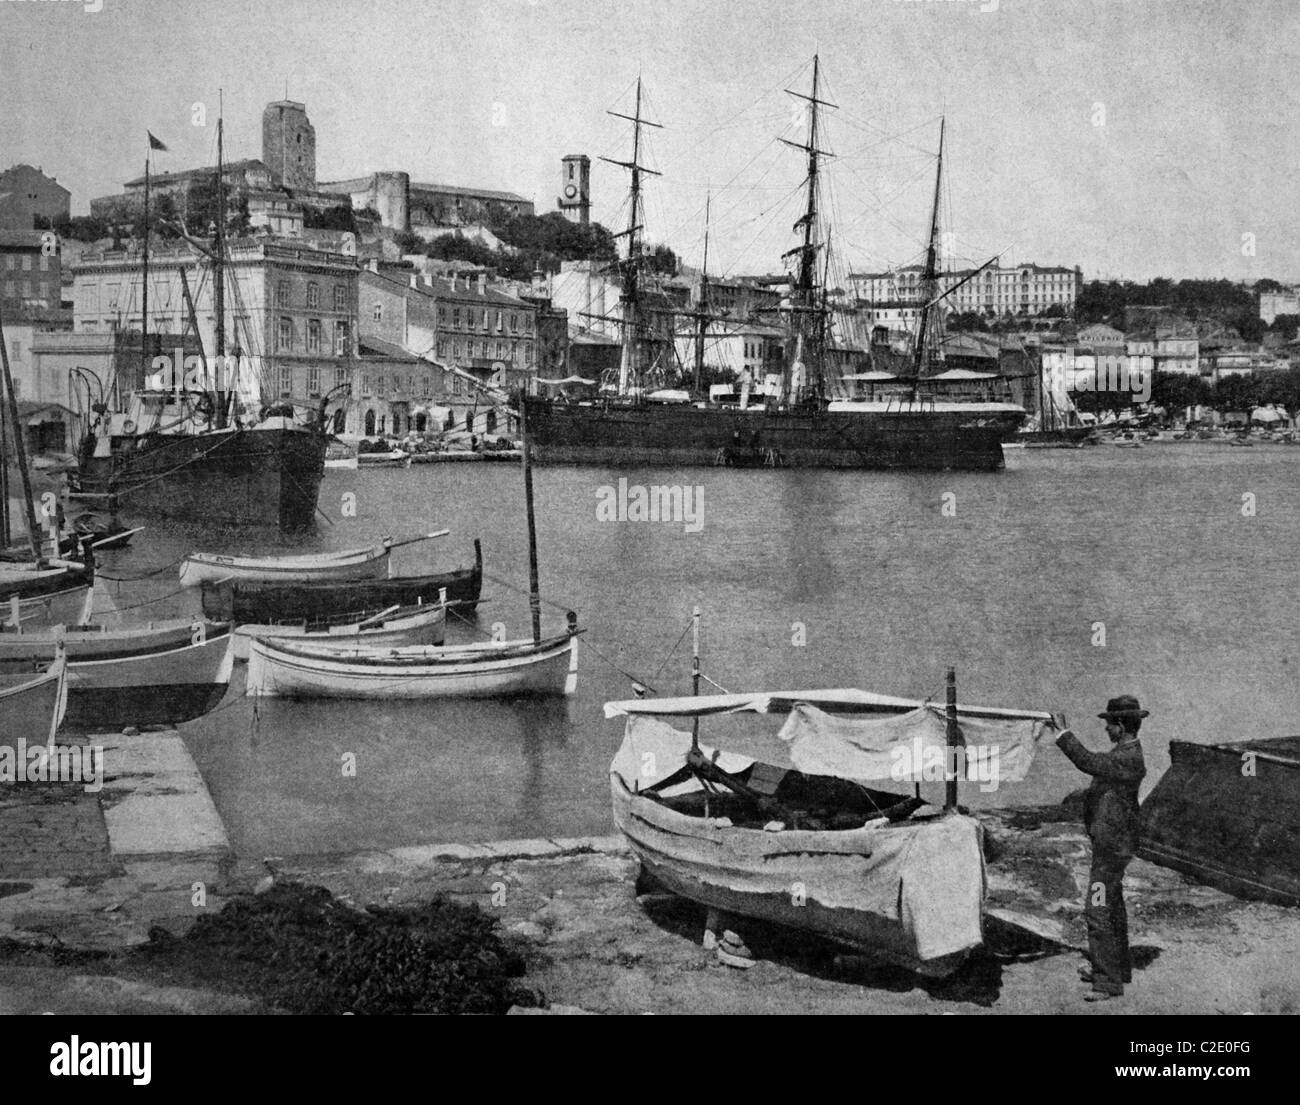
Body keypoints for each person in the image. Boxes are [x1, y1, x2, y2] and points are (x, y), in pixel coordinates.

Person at [1054, 695, 1147, 1002]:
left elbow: (1087, 762)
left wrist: (1062, 733)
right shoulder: (1125, 754)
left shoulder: (1127, 757)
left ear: (1120, 726)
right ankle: (1117, 969)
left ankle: (1106, 982)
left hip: (1111, 851)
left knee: (1098, 910)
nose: (1106, 728)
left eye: (1109, 723)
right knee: (1113, 907)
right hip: (1114, 846)